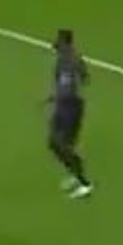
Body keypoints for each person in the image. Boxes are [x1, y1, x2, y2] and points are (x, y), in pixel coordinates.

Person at [46, 29, 92, 199]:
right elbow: (63, 82)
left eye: (58, 41)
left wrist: (69, 91)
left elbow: (83, 79)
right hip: (62, 104)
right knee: (53, 143)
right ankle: (75, 174)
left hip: (71, 106)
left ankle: (84, 183)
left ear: (66, 43)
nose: (55, 44)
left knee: (63, 145)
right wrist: (54, 97)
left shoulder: (73, 60)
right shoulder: (61, 60)